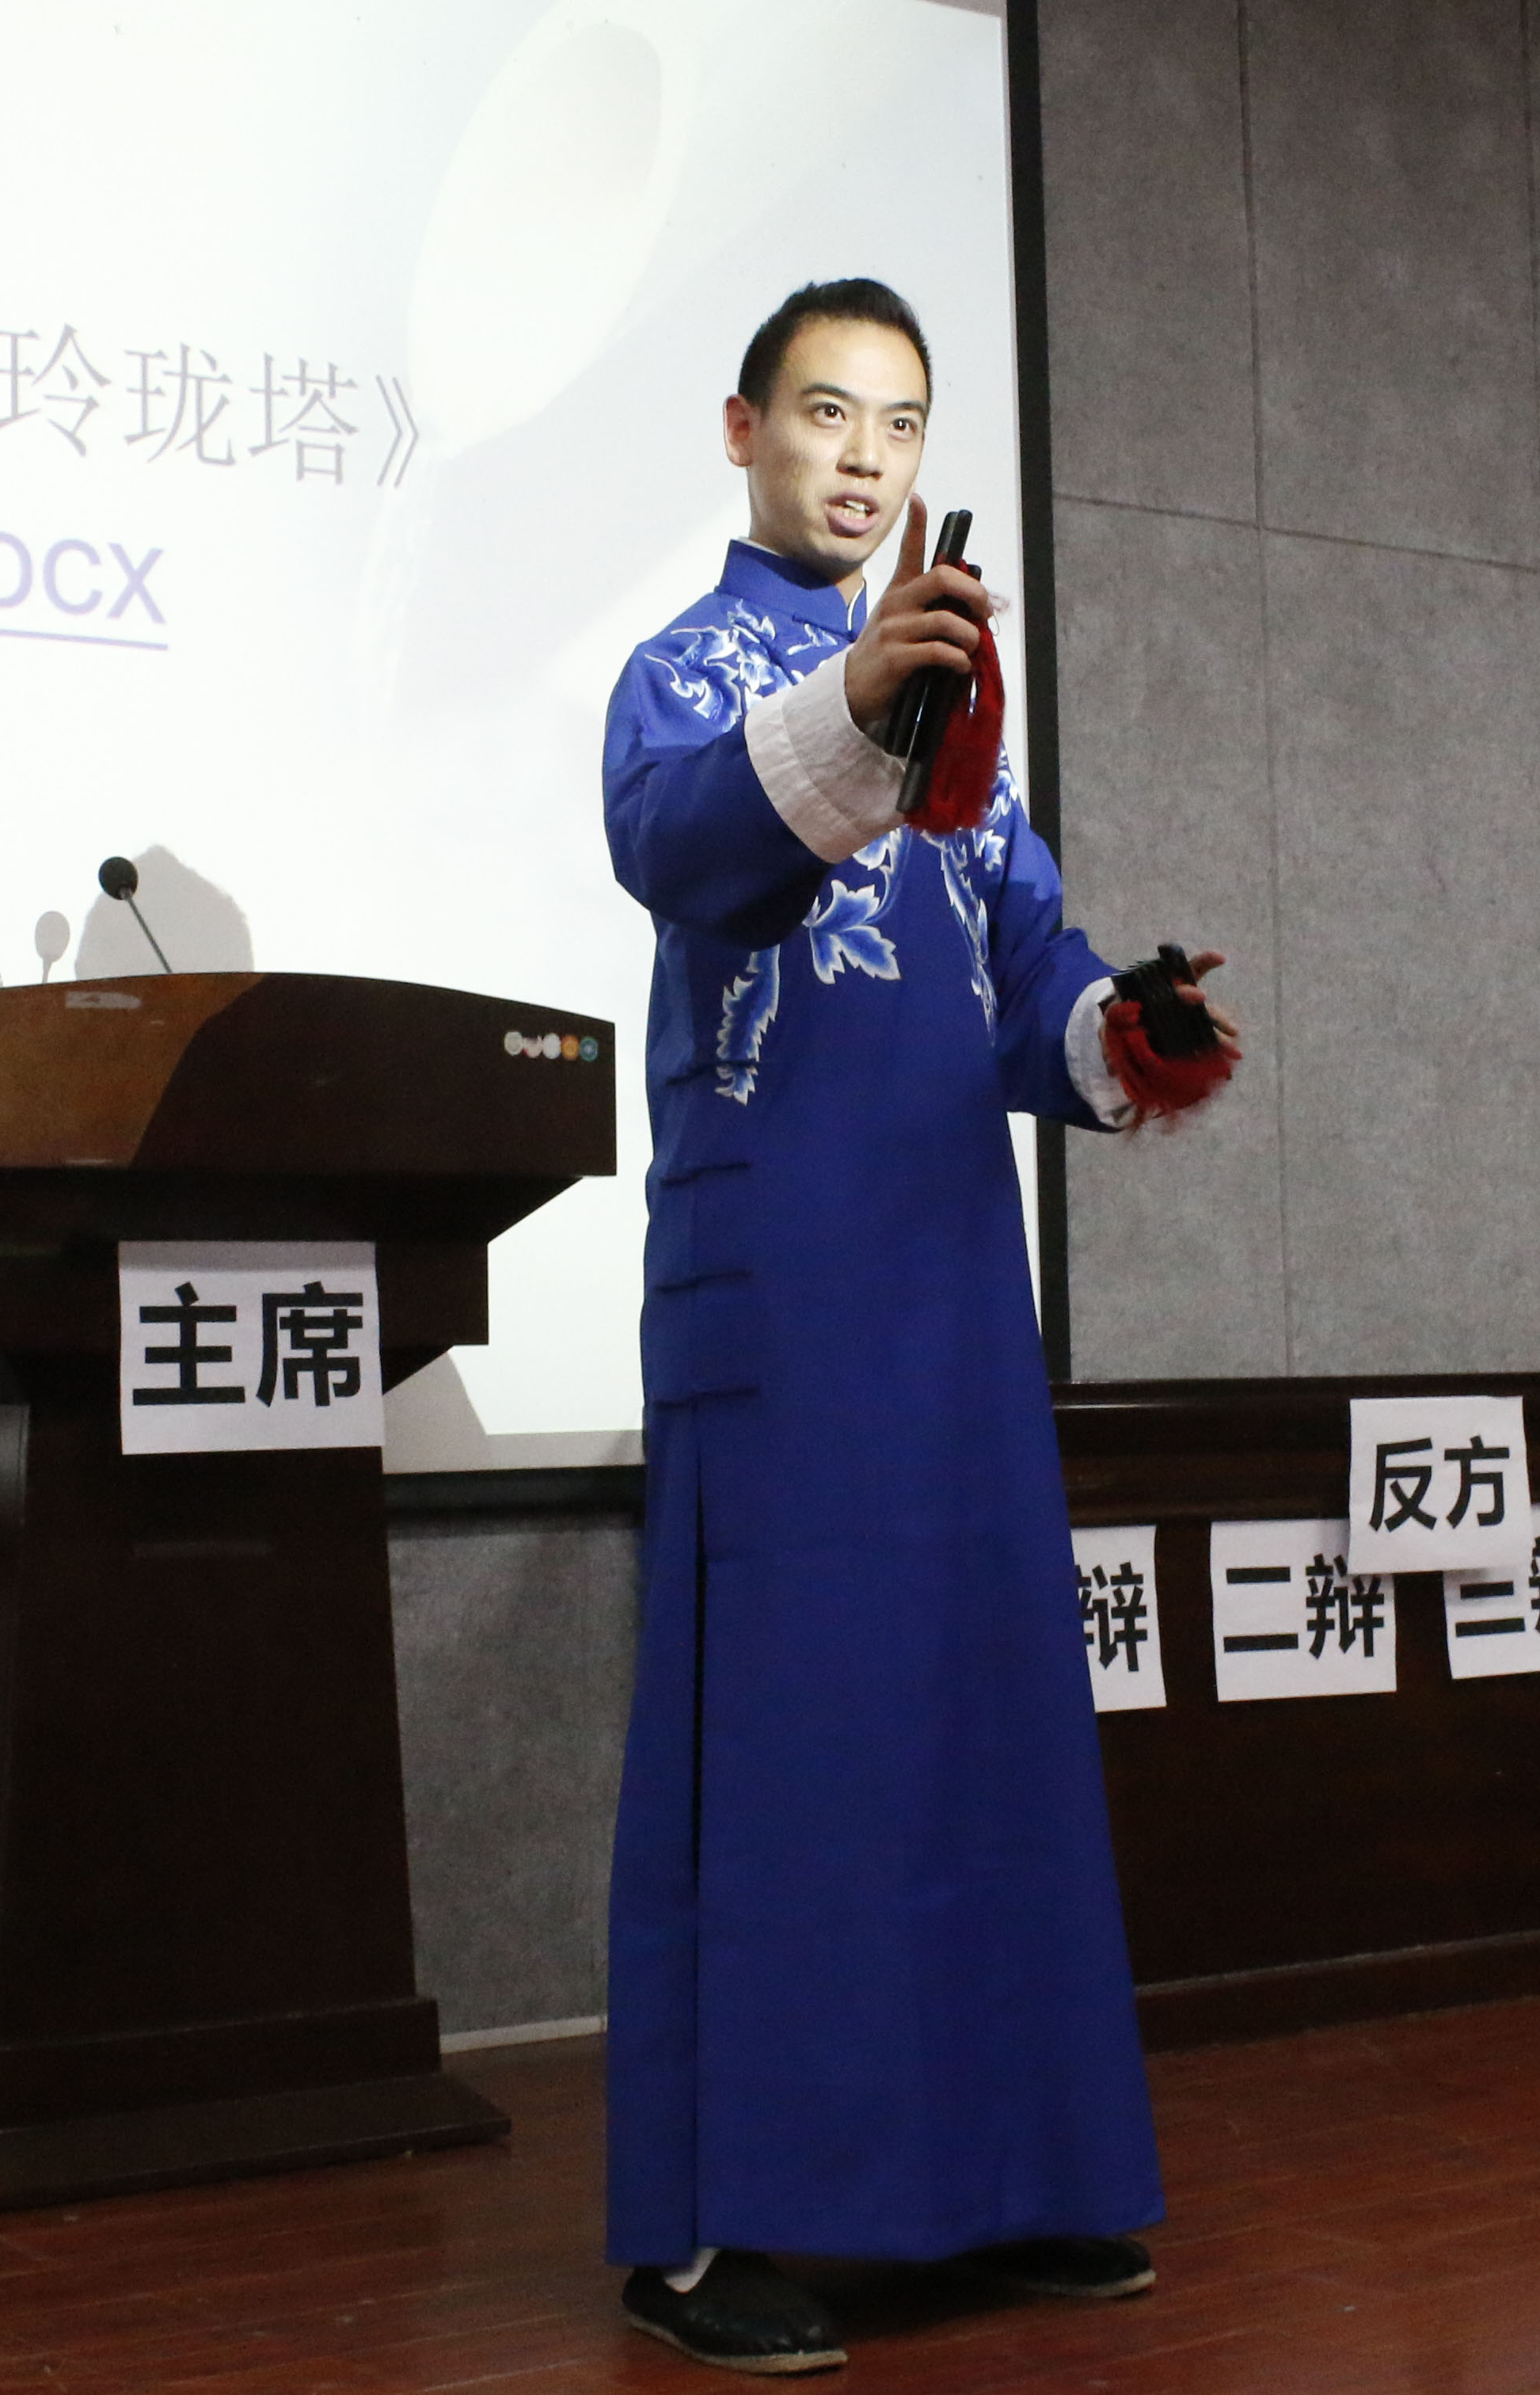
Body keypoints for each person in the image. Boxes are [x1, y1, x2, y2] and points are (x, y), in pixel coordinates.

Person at [601, 278, 1240, 2377]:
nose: (862, 458)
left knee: (979, 1738)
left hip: (954, 1302)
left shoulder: (968, 746)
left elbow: (1029, 971)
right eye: (823, 413)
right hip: (781, 1306)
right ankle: (701, 2232)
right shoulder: (685, 676)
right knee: (778, 1761)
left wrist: (1128, 1028)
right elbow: (681, 848)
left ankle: (1003, 2175)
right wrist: (857, 705)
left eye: (897, 423)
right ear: (742, 430)